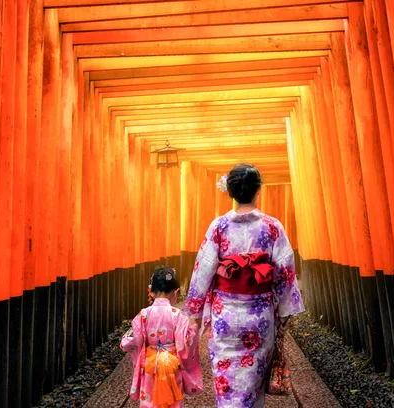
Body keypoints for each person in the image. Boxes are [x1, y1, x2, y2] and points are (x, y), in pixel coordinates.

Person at [184, 164, 304, 407]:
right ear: (258, 190)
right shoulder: (272, 227)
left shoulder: (218, 226)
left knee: (225, 377)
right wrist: (284, 311)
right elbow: (285, 270)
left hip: (224, 316)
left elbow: (204, 267)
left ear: (230, 192)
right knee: (253, 382)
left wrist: (194, 311)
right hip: (259, 318)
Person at [121, 266, 203, 408]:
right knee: (172, 400)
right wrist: (195, 327)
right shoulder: (177, 315)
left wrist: (126, 343)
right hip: (171, 365)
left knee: (149, 398)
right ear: (175, 292)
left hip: (150, 364)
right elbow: (185, 343)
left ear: (152, 292)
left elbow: (134, 341)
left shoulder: (143, 314)